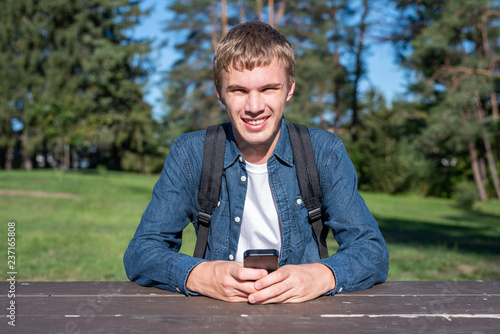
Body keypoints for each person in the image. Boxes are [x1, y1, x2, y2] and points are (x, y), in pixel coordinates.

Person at [123, 21, 389, 304]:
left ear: (289, 89)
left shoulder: (324, 152)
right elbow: (142, 252)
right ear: (219, 93)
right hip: (214, 318)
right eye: (239, 90)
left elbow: (371, 250)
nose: (254, 107)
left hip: (306, 319)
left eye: (268, 89)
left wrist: (319, 276)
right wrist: (200, 275)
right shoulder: (190, 154)